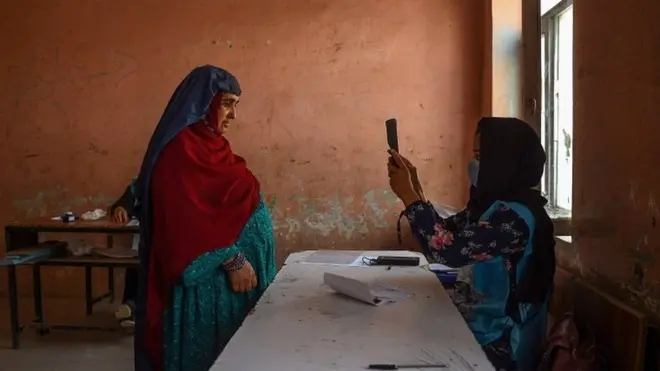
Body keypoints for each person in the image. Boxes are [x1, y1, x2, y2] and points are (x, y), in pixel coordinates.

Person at [131, 65, 277, 371]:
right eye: (226, 104)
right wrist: (231, 259)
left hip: (232, 293)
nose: (233, 116)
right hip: (205, 293)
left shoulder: (212, 145)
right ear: (202, 102)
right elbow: (182, 223)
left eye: (236, 105)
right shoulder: (179, 152)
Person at [387, 117, 556, 371]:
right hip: (483, 326)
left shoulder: (515, 217)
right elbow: (448, 230)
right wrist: (416, 188)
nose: (474, 164)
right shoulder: (494, 205)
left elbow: (447, 250)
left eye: (480, 156)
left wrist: (409, 197)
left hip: (503, 342)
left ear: (503, 160)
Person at [109, 179, 139, 328]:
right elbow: (126, 200)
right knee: (136, 260)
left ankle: (133, 307)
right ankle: (130, 309)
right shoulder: (145, 181)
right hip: (145, 241)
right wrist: (121, 208)